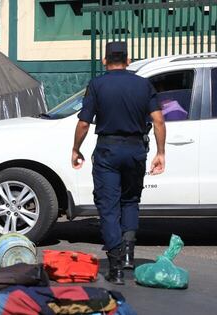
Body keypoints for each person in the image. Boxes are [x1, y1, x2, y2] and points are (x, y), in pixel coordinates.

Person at [71, 42, 166, 284]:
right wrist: (161, 153)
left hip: (108, 150)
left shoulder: (97, 85)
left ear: (105, 60)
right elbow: (158, 121)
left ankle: (115, 268)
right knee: (131, 200)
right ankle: (128, 256)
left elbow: (84, 122)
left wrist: (76, 149)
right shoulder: (143, 84)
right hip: (136, 149)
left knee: (108, 206)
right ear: (128, 59)